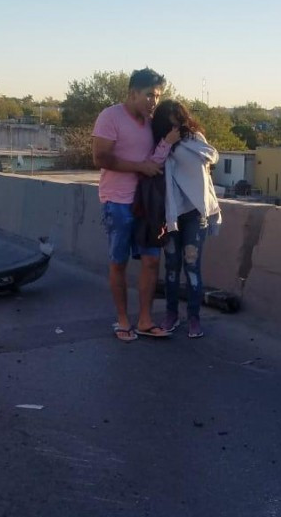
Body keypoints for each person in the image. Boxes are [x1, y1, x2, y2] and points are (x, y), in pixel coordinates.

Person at [92, 68, 172, 341]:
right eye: (149, 95)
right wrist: (140, 167)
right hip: (117, 201)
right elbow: (101, 158)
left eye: (158, 96)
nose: (154, 101)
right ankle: (123, 320)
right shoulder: (109, 116)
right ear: (132, 93)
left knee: (151, 260)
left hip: (147, 203)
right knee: (119, 262)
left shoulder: (152, 122)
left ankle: (145, 320)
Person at [150, 99, 221, 339]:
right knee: (171, 267)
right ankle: (171, 314)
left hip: (195, 213)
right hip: (171, 214)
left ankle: (194, 317)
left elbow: (207, 165)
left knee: (192, 266)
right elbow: (152, 167)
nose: (174, 129)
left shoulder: (195, 141)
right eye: (168, 125)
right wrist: (166, 145)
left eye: (177, 123)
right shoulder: (159, 146)